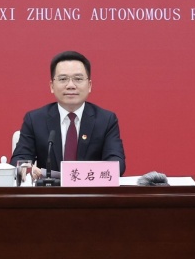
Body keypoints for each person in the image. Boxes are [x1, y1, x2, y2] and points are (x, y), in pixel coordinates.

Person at [12, 50, 126, 181]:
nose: (71, 85)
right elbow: (18, 161)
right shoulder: (35, 120)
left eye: (78, 79)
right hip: (49, 192)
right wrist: (28, 170)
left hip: (91, 192)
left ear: (89, 85)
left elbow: (117, 164)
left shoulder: (106, 120)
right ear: (52, 86)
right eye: (63, 79)